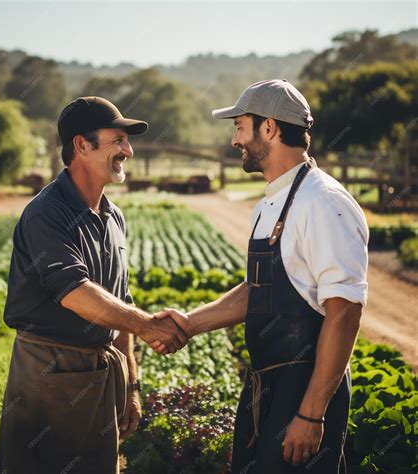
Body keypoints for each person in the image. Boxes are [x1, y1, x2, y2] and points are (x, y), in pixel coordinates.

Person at [154, 79, 369, 473]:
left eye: (240, 126)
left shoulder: (324, 202)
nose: (235, 139)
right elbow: (259, 290)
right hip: (267, 387)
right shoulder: (271, 202)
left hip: (304, 391)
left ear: (268, 128)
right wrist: (189, 324)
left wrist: (311, 414)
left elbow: (345, 313)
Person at [0, 96, 188, 474]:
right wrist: (149, 326)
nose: (128, 150)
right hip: (52, 376)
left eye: (126, 142)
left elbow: (119, 302)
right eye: (117, 141)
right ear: (82, 145)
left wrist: (131, 385)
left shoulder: (113, 216)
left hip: (100, 374)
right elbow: (76, 293)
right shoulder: (47, 213)